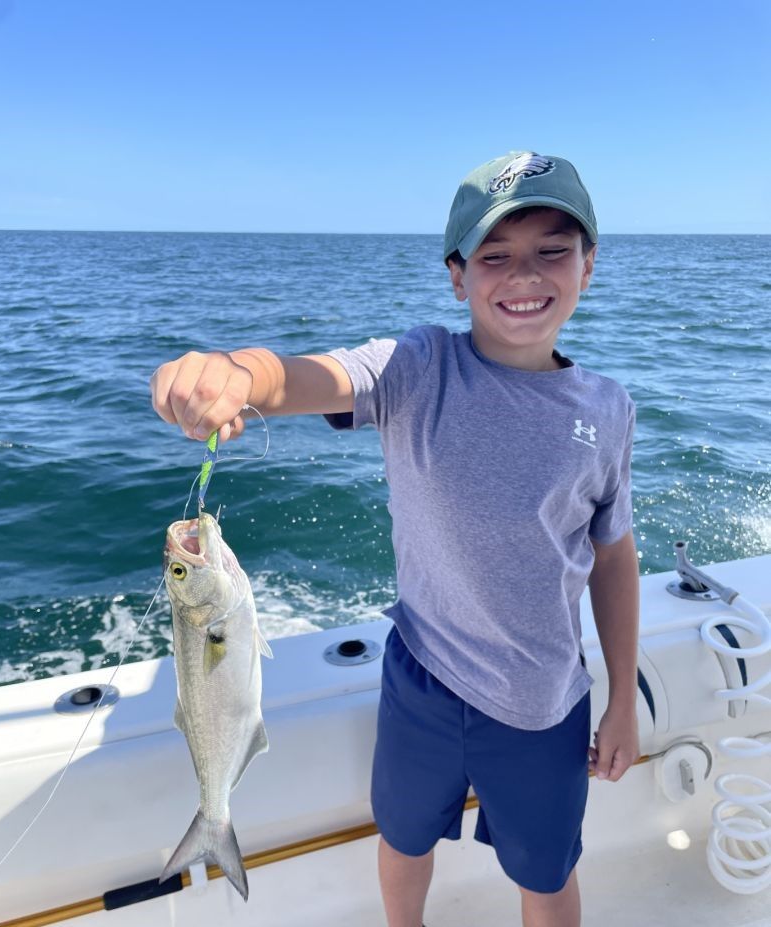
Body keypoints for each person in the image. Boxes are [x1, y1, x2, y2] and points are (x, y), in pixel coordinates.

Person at [150, 150, 641, 927]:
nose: (524, 275)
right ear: (457, 275)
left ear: (589, 264)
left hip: (546, 702)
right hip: (421, 684)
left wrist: (620, 696)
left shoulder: (608, 408)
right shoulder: (418, 367)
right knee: (404, 838)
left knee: (546, 874)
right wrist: (233, 373)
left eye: (553, 250)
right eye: (494, 256)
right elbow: (307, 377)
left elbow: (613, 554)